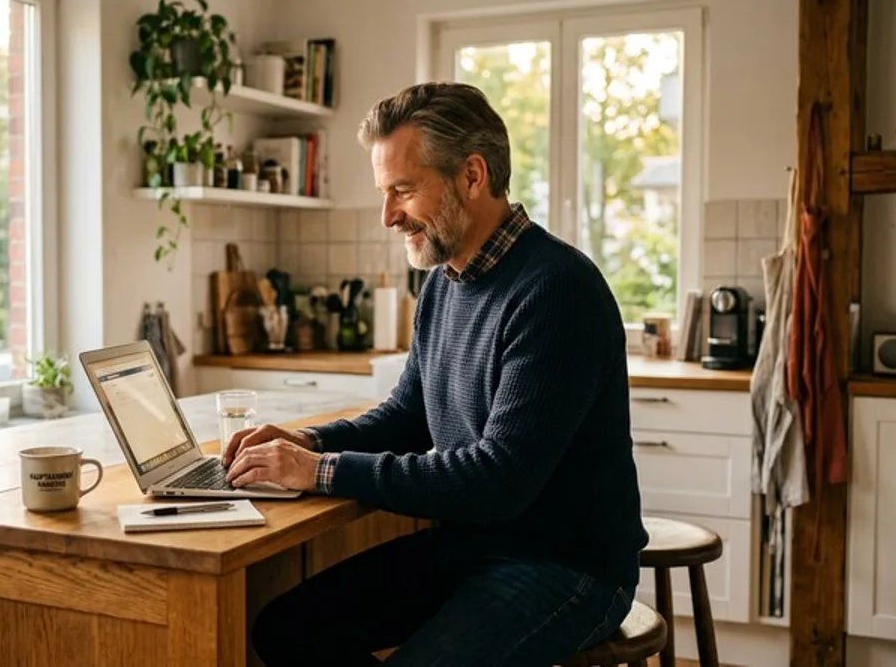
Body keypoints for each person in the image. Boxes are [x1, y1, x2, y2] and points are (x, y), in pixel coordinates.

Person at [222, 81, 647, 667]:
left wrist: (319, 471)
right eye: (384, 193)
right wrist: (309, 441)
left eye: (403, 190)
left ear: (472, 175)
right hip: (472, 547)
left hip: (568, 569)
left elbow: (497, 480)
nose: (388, 216)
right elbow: (408, 416)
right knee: (285, 630)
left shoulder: (556, 290)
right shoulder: (444, 285)